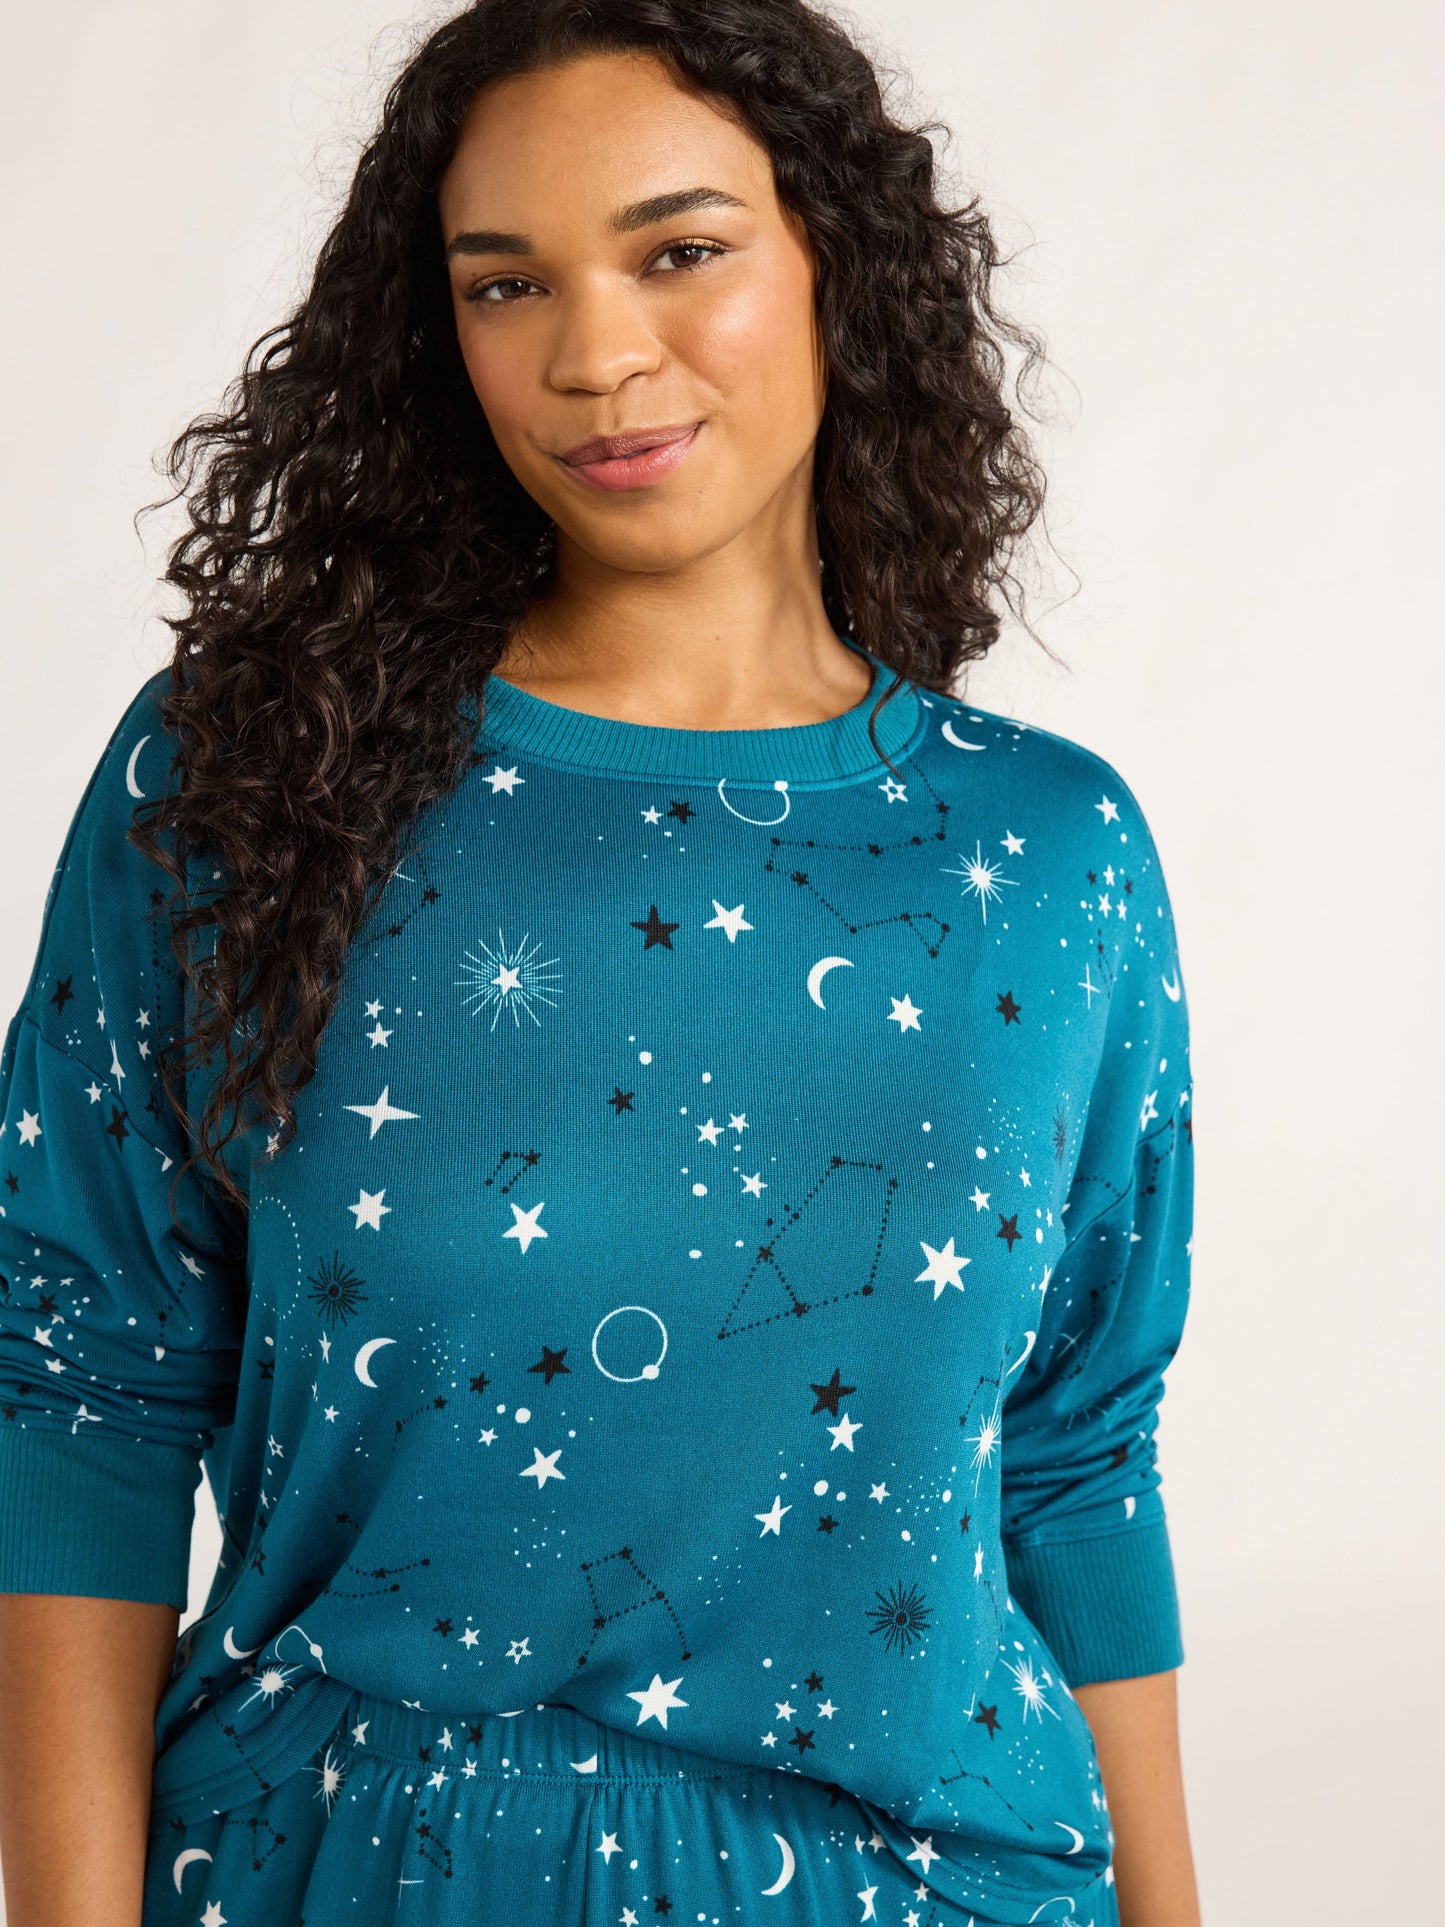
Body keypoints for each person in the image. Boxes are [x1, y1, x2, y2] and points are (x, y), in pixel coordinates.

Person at [0, 3, 1202, 1923]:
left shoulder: (1049, 854)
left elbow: (1073, 1457)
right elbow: (85, 1389)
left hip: (923, 1886)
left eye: (679, 250)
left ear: (835, 261)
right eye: (505, 284)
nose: (593, 356)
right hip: (349, 1868)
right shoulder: (249, 778)